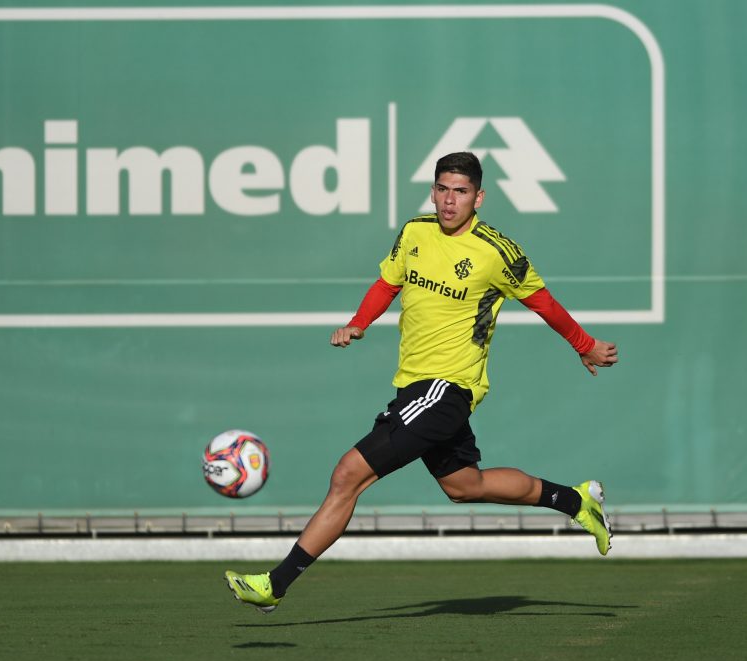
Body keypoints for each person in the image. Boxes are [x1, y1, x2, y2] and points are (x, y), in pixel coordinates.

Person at [224, 151, 618, 613]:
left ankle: (276, 584)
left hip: (447, 388)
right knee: (465, 486)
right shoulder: (415, 231)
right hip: (416, 388)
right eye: (443, 190)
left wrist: (583, 343)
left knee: (347, 475)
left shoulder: (496, 252)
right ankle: (575, 501)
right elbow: (387, 283)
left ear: (479, 197)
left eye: (461, 192)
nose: (450, 201)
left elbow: (544, 303)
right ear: (433, 191)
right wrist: (359, 322)